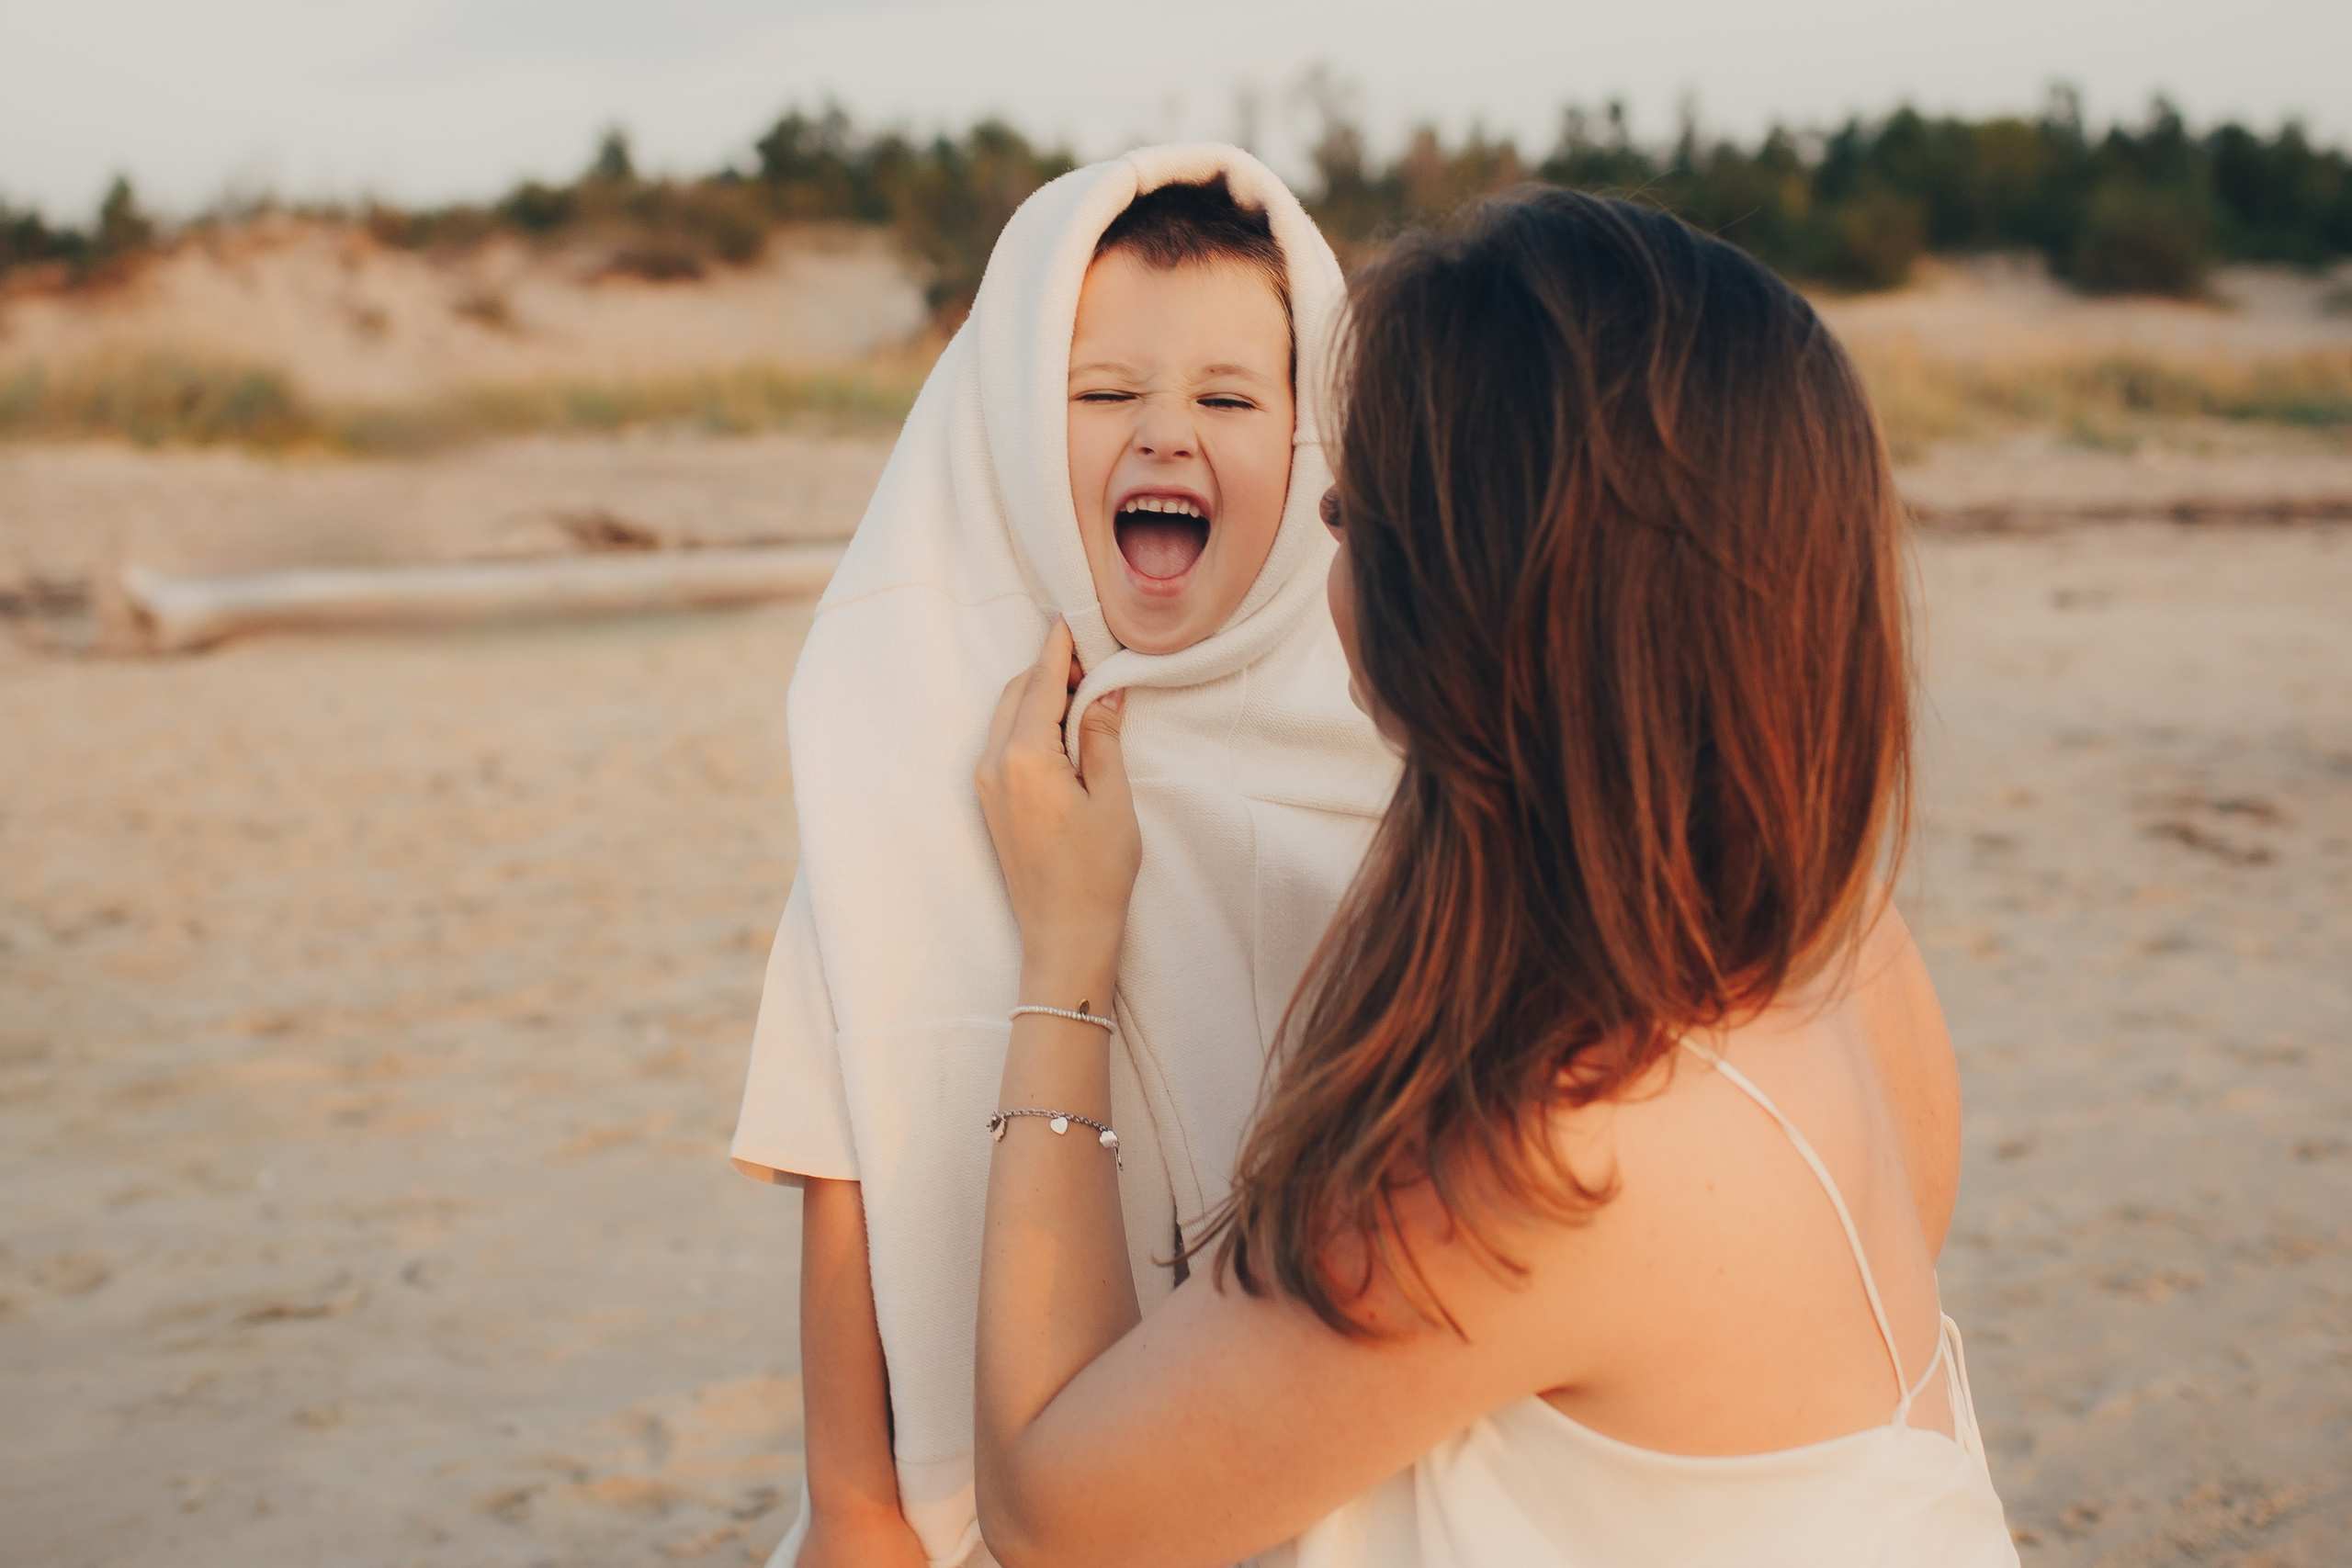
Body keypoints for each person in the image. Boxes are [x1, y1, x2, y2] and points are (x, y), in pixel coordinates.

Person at [968, 187, 2020, 1566]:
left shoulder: (1537, 1151)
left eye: (1358, 517)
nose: (1325, 537)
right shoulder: (1832, 930)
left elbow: (1058, 1515)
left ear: (1478, 600)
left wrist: (1066, 949)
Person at [728, 146, 1396, 1568]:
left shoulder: (1384, 764)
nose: (1165, 435)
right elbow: (853, 1145)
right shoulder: (924, 773)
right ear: (1017, 439)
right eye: (1102, 397)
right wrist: (857, 1510)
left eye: (1228, 398)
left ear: (1311, 433)